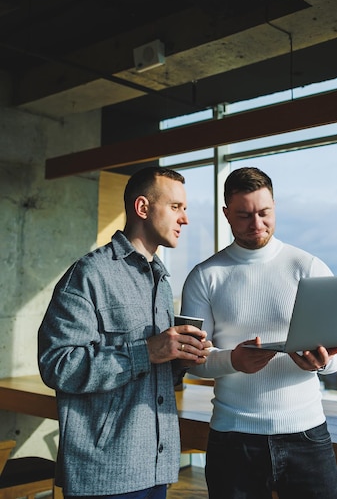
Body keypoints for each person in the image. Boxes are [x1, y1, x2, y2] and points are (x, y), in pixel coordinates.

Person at [38, 166, 212, 499]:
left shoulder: (161, 280)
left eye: (185, 209)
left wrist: (179, 359)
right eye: (176, 207)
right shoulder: (89, 274)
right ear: (143, 208)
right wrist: (146, 351)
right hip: (105, 473)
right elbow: (57, 365)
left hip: (155, 467)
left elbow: (149, 369)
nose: (185, 219)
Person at [181, 166, 337, 499]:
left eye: (264, 213)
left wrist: (322, 362)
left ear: (275, 206)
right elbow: (192, 361)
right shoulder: (205, 276)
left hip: (306, 436)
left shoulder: (310, 267)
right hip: (233, 439)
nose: (256, 224)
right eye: (244, 215)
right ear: (227, 214)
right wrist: (234, 360)